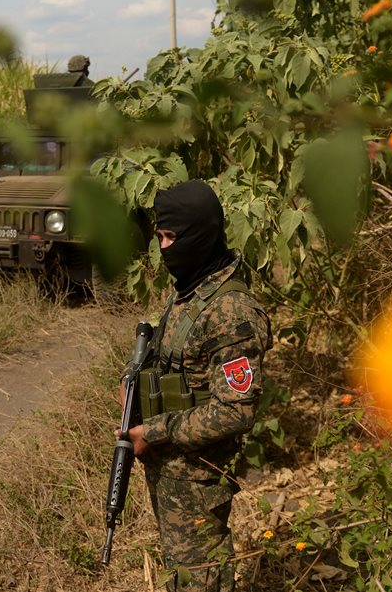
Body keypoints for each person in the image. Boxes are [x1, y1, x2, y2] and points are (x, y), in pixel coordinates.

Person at [123, 179, 273, 591]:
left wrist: (153, 431)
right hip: (173, 473)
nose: (165, 247)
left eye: (173, 236)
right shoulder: (192, 289)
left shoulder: (231, 312)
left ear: (201, 234)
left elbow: (235, 410)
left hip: (198, 478)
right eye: (160, 236)